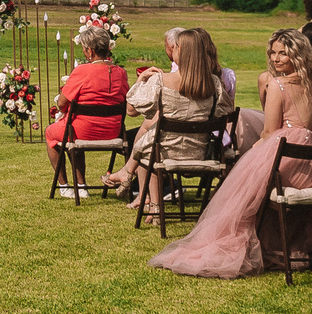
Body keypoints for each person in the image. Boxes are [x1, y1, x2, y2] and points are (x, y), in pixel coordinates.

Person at [150, 29, 312, 279]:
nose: (275, 58)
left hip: (291, 163)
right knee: (251, 180)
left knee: (242, 189)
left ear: (297, 54)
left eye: (283, 53)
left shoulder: (279, 85)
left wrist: (251, 156)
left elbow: (269, 132)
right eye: (273, 53)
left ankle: (249, 244)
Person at [106, 27, 228, 209]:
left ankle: (153, 205)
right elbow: (223, 113)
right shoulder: (214, 83)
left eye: (175, 46)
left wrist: (141, 80)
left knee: (146, 147)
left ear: (181, 50)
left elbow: (132, 108)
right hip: (200, 152)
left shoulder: (161, 80)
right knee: (148, 138)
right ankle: (133, 180)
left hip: (164, 153)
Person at [46, 26, 128, 195]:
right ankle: (81, 185)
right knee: (70, 129)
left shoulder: (82, 71)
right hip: (113, 131)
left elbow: (62, 103)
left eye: (83, 48)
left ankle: (65, 186)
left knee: (51, 133)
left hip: (82, 130)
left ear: (90, 51)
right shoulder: (121, 73)